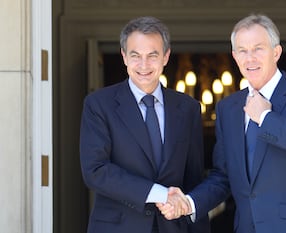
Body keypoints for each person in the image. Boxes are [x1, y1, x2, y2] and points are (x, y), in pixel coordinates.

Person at [158, 14, 286, 233]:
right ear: (235, 56)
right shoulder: (228, 108)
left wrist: (266, 118)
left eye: (258, 49)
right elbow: (223, 176)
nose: (250, 58)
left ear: (276, 52)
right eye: (243, 51)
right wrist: (189, 204)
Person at [79, 16, 210, 233]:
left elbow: (193, 178)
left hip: (173, 227)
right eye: (135, 55)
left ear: (166, 57)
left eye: (152, 55)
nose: (143, 65)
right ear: (124, 56)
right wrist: (159, 193)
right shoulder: (98, 104)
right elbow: (95, 170)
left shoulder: (188, 108)